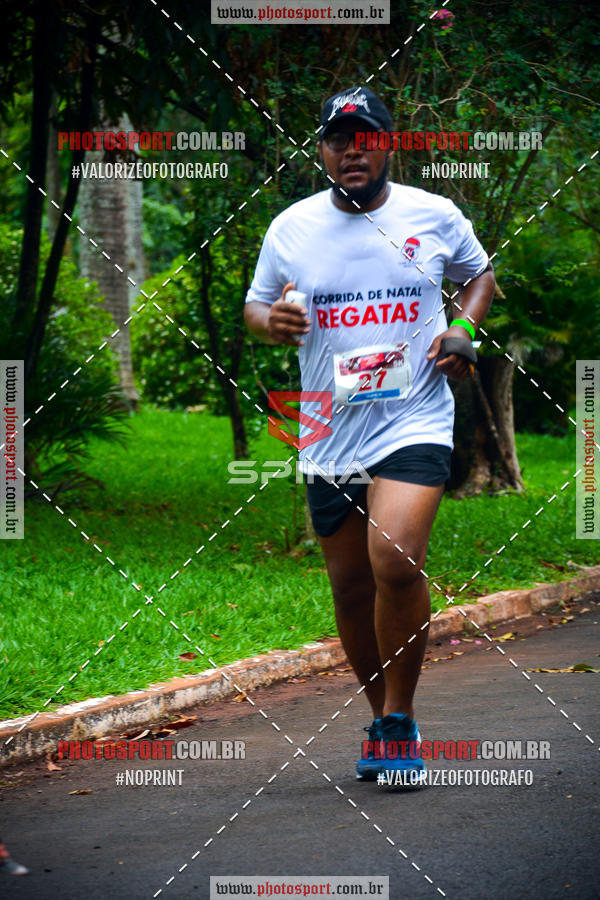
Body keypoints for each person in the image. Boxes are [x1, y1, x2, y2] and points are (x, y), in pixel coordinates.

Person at [244, 86, 495, 782]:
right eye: (337, 140)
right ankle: (380, 713)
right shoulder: (291, 227)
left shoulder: (433, 215)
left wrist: (463, 331)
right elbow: (256, 307)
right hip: (326, 427)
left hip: (414, 414)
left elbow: (480, 277)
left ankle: (402, 717)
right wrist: (271, 324)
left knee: (395, 560)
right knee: (352, 587)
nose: (351, 150)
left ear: (388, 141)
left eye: (365, 137)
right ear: (322, 150)